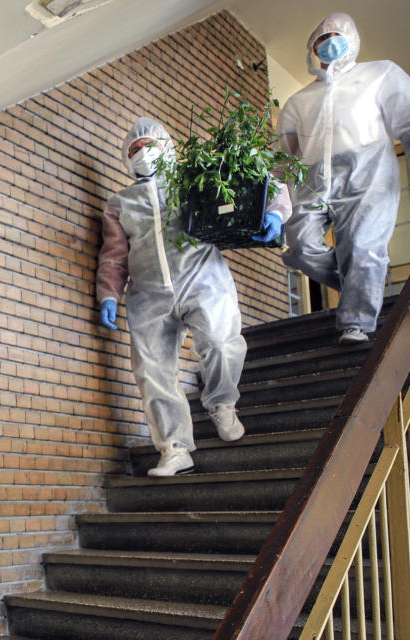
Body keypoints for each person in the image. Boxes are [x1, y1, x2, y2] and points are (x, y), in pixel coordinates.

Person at [96, 117, 291, 477]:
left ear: (166, 147)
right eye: (134, 149)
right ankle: (174, 447)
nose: (142, 153)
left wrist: (275, 214)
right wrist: (109, 293)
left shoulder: (195, 178)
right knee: (153, 372)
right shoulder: (120, 204)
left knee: (219, 342)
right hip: (148, 294)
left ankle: (222, 403)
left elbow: (266, 184)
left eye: (148, 146)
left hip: (203, 279)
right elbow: (114, 254)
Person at [277, 12, 410, 345]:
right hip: (314, 177)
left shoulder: (380, 74)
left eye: (335, 36)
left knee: (364, 246)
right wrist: (274, 201)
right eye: (321, 40)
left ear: (352, 39)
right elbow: (282, 156)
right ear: (312, 48)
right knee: (299, 244)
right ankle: (361, 284)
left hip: (368, 171)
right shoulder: (299, 101)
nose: (328, 44)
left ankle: (356, 323)